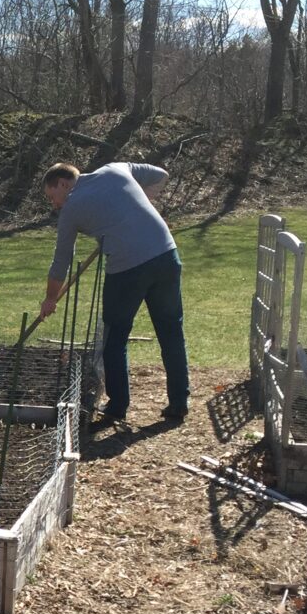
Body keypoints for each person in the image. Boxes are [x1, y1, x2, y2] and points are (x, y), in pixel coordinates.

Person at [40, 161, 189, 424]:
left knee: (114, 337)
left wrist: (51, 298)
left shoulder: (72, 208)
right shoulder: (116, 169)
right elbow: (161, 175)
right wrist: (137, 201)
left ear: (63, 183)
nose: (55, 204)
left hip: (127, 270)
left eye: (53, 196)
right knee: (171, 331)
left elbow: (61, 259)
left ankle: (118, 406)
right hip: (167, 255)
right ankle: (179, 402)